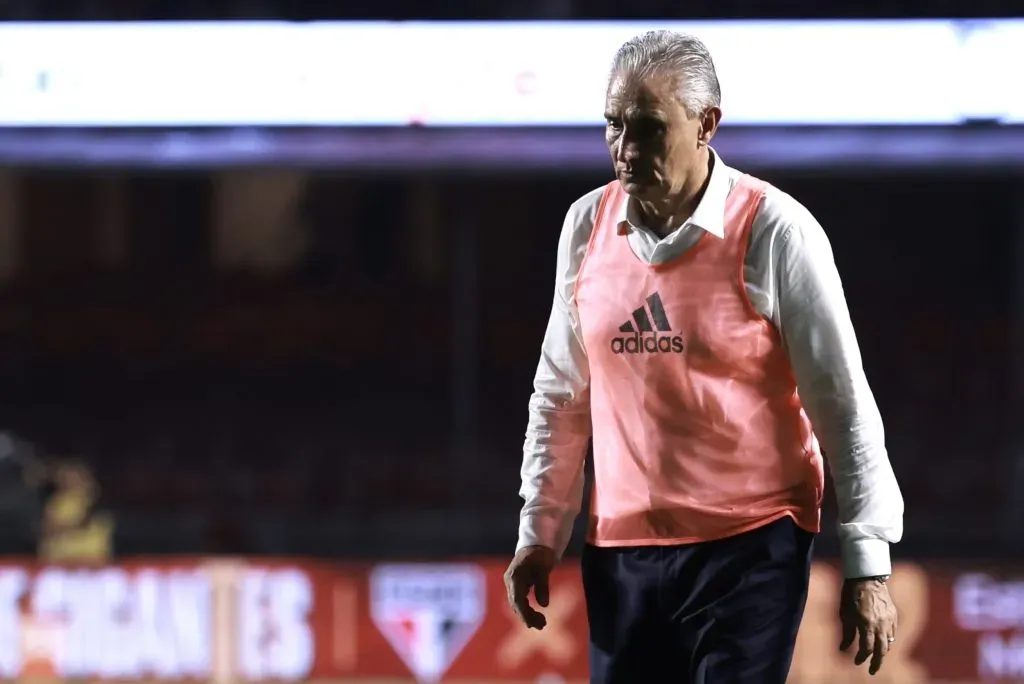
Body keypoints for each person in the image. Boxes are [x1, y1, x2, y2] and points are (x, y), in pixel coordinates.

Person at [503, 29, 904, 684]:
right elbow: (561, 397)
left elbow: (844, 403)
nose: (624, 150)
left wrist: (869, 560)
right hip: (621, 551)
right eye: (613, 125)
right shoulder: (585, 226)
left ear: (706, 125)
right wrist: (539, 531)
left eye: (649, 128)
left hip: (751, 547)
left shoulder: (775, 230)